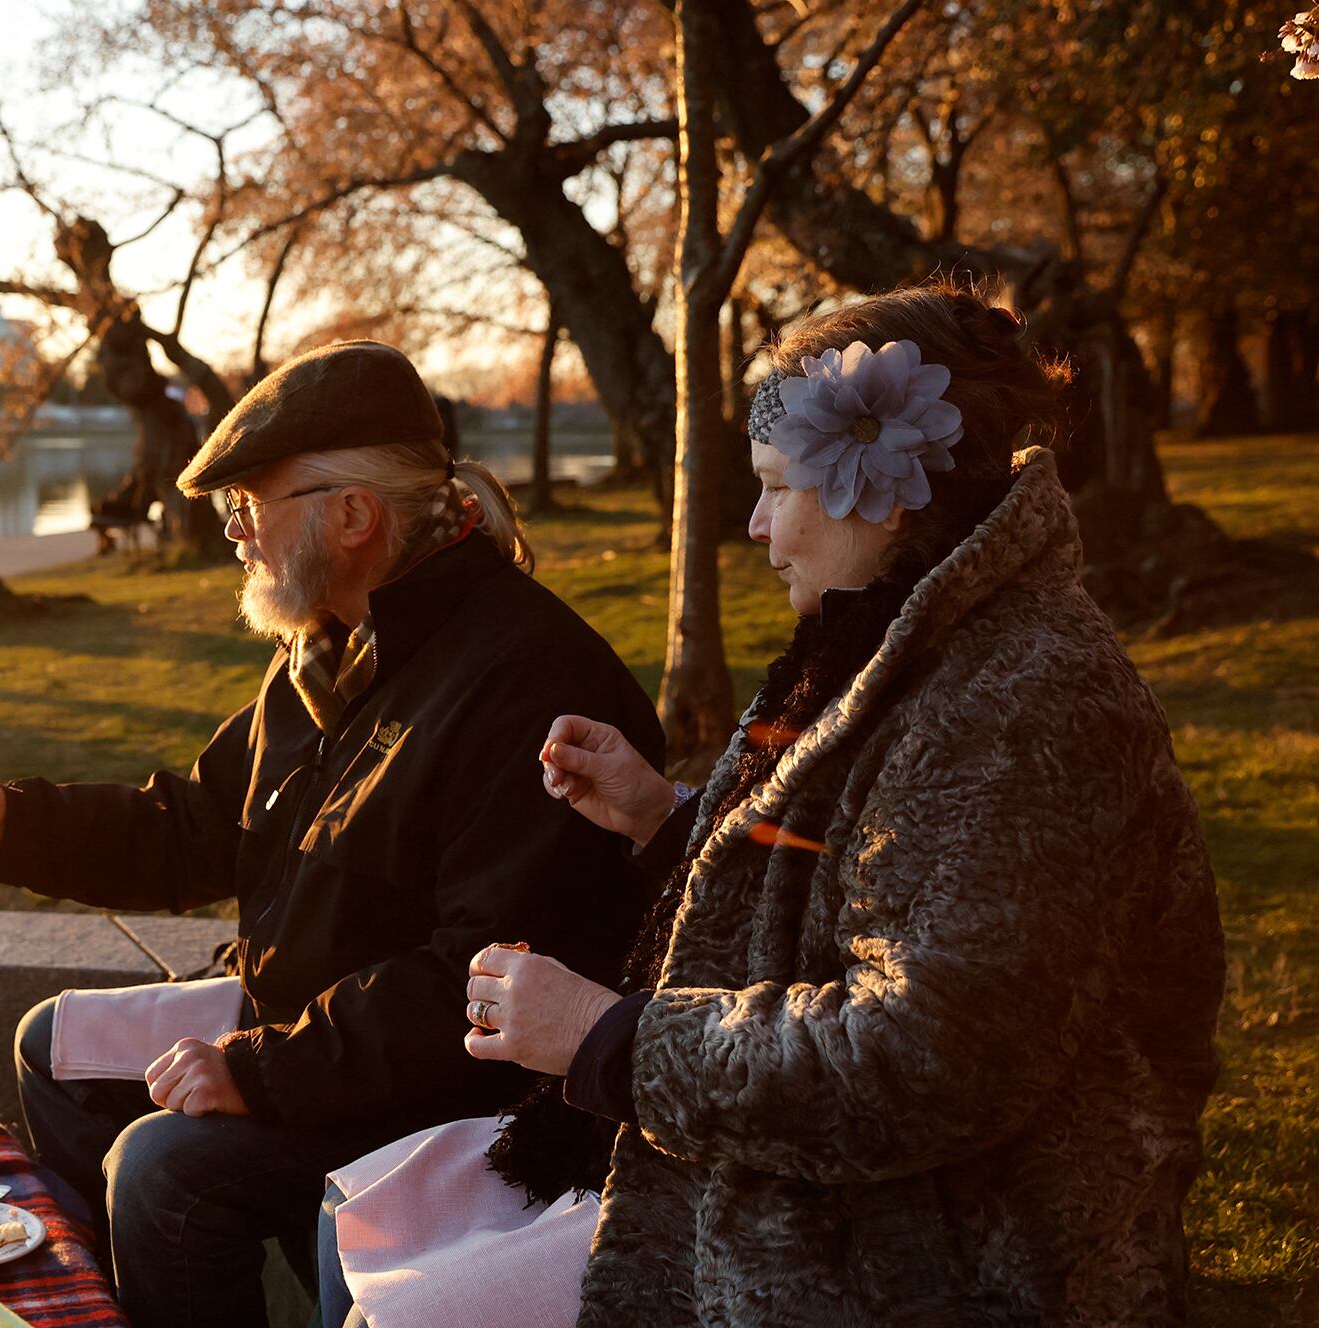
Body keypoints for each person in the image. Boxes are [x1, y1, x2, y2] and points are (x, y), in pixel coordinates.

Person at [315, 284, 1225, 1328]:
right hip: (851, 1186)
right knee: (356, 1212)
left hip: (946, 1248)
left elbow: (923, 1062)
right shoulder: (899, 639)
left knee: (397, 1306)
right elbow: (866, 876)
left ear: (880, 491)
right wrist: (666, 817)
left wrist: (608, 1038)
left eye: (776, 487)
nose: (752, 525)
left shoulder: (1021, 702)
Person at [0, 340, 666, 1328]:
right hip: (308, 1025)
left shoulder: (527, 679)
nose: (235, 531)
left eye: (252, 504)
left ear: (353, 515)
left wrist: (258, 1070)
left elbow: (470, 981)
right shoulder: (329, 644)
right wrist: (8, 818)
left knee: (165, 1164)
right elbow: (194, 827)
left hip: (456, 1093)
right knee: (55, 1044)